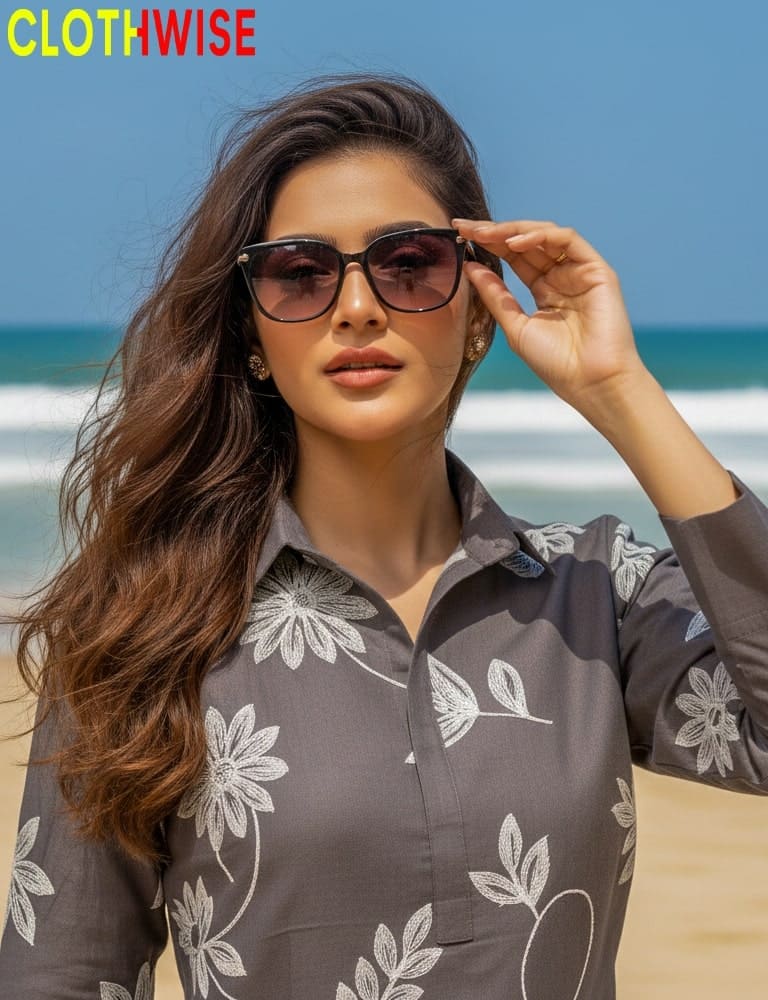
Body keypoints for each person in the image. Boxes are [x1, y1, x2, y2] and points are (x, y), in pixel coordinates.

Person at [1, 72, 766, 1000]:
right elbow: (62, 974)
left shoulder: (596, 594)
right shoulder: (139, 631)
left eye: (408, 264)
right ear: (251, 333)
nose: (357, 306)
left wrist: (617, 390)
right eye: (301, 272)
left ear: (477, 307)